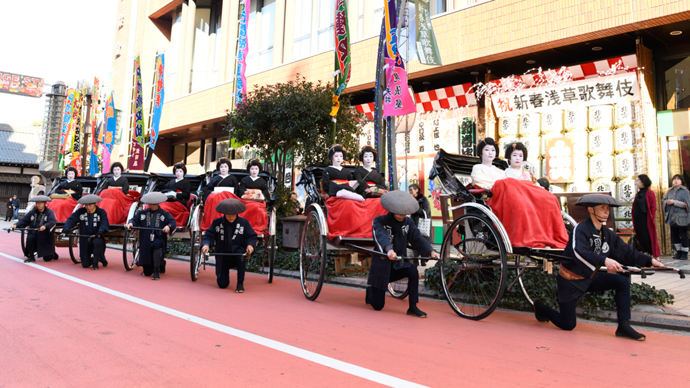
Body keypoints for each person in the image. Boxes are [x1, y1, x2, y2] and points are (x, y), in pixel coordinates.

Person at [533, 194, 664, 340]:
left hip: (590, 277)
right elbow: (579, 252)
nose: (606, 211)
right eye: (602, 208)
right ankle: (540, 307)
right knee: (568, 324)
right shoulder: (581, 229)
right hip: (570, 280)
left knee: (621, 282)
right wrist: (604, 260)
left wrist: (649, 261)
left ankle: (623, 326)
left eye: (608, 208)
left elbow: (626, 252)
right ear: (590, 209)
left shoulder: (607, 233)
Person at [366, 190, 440, 318]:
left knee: (413, 271)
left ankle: (413, 307)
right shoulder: (379, 220)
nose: (402, 215)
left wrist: (430, 251)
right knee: (378, 306)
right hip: (382, 266)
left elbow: (417, 238)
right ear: (392, 208)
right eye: (399, 212)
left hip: (398, 263)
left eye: (405, 212)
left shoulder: (408, 222)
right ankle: (371, 289)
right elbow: (381, 236)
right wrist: (389, 249)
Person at [201, 198, 257, 292]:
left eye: (233, 215)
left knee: (241, 256)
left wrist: (250, 245)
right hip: (222, 254)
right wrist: (206, 245)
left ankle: (240, 283)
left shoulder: (244, 222)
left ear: (237, 213)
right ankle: (223, 276)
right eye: (228, 215)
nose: (231, 217)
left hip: (238, 252)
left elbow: (251, 236)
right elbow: (209, 236)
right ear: (224, 213)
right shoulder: (217, 222)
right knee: (222, 284)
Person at [127, 192, 176, 280]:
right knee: (147, 273)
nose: (152, 206)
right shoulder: (142, 213)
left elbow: (172, 222)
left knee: (157, 245)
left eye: (154, 204)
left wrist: (168, 226)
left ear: (158, 203)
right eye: (150, 204)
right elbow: (134, 220)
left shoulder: (164, 213)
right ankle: (160, 264)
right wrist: (131, 223)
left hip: (159, 237)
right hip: (146, 239)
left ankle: (156, 271)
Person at [62, 195, 110, 270]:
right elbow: (72, 219)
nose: (88, 207)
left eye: (90, 205)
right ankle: (100, 258)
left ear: (95, 204)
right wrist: (66, 228)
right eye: (86, 205)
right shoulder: (81, 212)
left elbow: (104, 222)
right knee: (85, 264)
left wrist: (101, 230)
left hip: (97, 236)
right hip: (84, 238)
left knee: (97, 243)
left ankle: (95, 262)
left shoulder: (101, 212)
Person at [10, 195, 58, 263]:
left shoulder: (49, 212)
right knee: (30, 238)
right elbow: (24, 220)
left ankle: (52, 253)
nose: (39, 204)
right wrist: (15, 225)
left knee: (47, 259)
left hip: (45, 235)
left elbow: (52, 221)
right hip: (34, 233)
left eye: (41, 203)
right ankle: (31, 257)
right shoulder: (33, 212)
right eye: (37, 203)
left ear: (44, 203)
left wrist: (45, 226)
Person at [663, 174, 690, 259]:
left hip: (682, 216)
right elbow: (664, 201)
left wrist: (675, 202)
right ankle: (678, 251)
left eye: (678, 179)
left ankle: (685, 252)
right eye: (674, 179)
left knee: (683, 234)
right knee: (674, 234)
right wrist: (667, 202)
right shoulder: (669, 191)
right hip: (672, 216)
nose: (675, 181)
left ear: (681, 181)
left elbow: (687, 204)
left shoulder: (685, 191)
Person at [632, 174, 660, 258]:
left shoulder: (650, 193)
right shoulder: (638, 194)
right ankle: (645, 252)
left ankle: (652, 254)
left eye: (638, 181)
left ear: (643, 182)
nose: (636, 182)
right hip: (638, 219)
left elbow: (653, 207)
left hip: (646, 219)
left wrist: (651, 217)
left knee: (648, 236)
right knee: (640, 235)